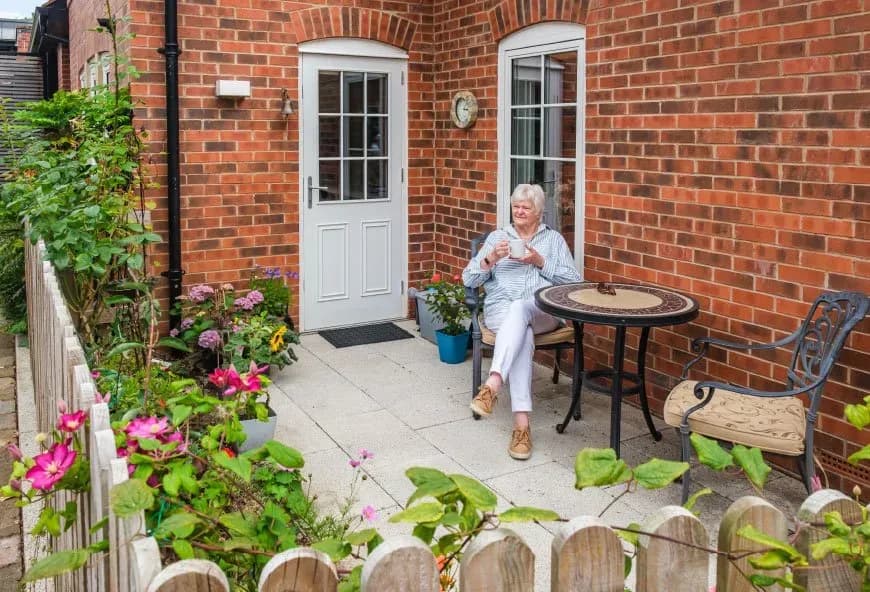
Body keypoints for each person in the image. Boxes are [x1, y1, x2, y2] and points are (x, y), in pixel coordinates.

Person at [462, 184, 581, 460]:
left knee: (523, 311)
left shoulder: (553, 241)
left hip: (542, 312)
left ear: (538, 212)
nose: (519, 211)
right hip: (501, 311)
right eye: (516, 206)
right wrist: (491, 258)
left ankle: (492, 384)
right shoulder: (497, 238)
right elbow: (468, 279)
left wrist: (541, 262)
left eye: (526, 207)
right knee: (520, 330)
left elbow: (575, 284)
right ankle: (521, 427)